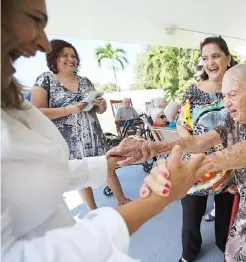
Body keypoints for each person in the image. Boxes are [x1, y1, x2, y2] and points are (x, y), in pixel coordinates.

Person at [1, 1, 213, 260]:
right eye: (35, 20)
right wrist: (156, 201)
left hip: (91, 143)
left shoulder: (11, 96)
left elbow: (35, 172)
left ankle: (119, 195)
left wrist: (110, 160)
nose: (45, 43)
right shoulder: (43, 81)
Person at [108, 64, 246, 261]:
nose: (226, 102)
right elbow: (200, 141)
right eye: (224, 96)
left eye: (232, 94)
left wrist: (194, 170)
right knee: (234, 254)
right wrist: (153, 147)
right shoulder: (234, 120)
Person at [31, 39, 130, 209]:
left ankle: (122, 200)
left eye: (74, 56)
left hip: (94, 136)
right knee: (82, 176)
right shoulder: (45, 80)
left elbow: (100, 110)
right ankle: (93, 211)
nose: (71, 59)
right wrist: (69, 110)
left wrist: (101, 105)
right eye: (64, 55)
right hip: (69, 143)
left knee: (108, 167)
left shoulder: (85, 81)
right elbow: (36, 112)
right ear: (54, 58)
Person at [175, 36, 237, 262]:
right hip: (196, 165)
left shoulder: (238, 88)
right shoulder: (193, 91)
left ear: (228, 58)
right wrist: (196, 149)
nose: (210, 62)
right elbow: (182, 124)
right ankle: (189, 253)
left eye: (216, 56)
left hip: (230, 165)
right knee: (191, 214)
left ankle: (225, 245)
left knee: (226, 213)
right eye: (205, 58)